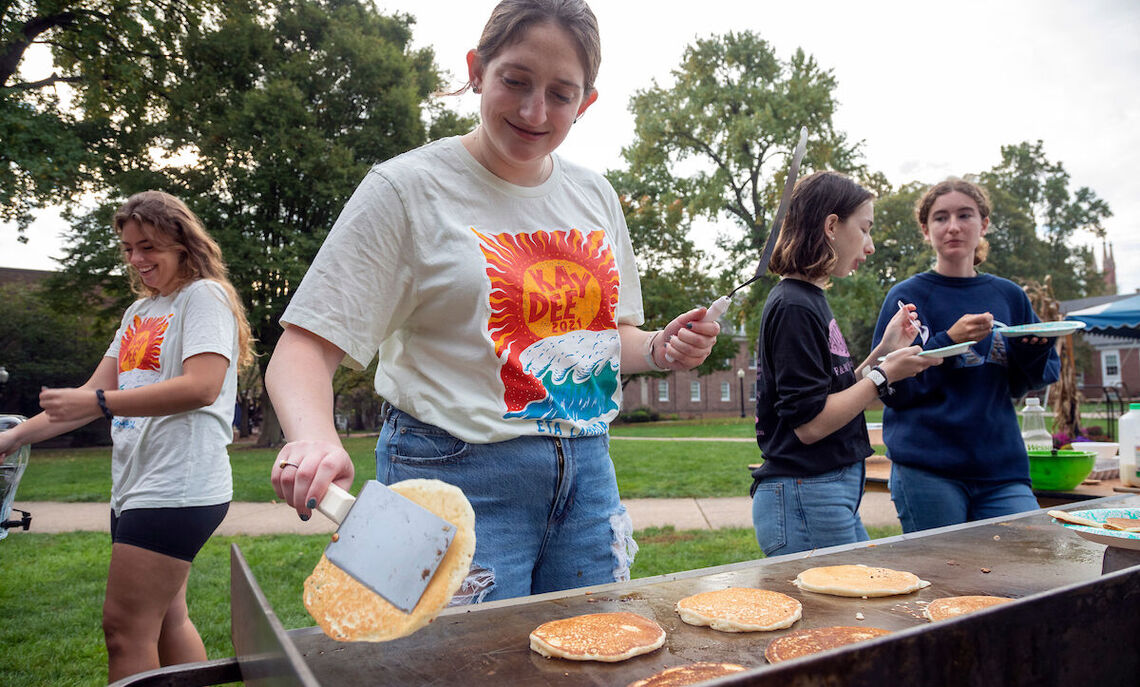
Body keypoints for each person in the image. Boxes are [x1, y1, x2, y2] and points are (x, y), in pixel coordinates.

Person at [267, 0, 718, 604]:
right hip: (446, 472)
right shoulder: (403, 188)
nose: (535, 111)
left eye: (562, 94)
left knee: (590, 660)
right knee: (441, 668)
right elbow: (303, 346)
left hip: (586, 476)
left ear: (586, 103)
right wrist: (314, 437)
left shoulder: (595, 195)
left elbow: (610, 340)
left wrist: (662, 348)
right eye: (515, 81)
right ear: (478, 69)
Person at [0, 191, 253, 681]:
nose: (137, 259)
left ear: (182, 244)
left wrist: (98, 403)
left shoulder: (203, 297)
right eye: (129, 248)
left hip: (177, 487)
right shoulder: (139, 313)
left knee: (123, 629)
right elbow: (91, 394)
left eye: (148, 247)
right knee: (165, 621)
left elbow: (202, 387)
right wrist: (11, 440)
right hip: (137, 487)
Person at [750, 171, 940, 557]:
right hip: (807, 493)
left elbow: (829, 396)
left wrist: (883, 352)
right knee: (846, 614)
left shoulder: (809, 300)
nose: (869, 247)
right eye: (865, 229)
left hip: (820, 493)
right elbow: (810, 424)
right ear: (832, 225)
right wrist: (884, 375)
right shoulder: (794, 306)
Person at [871, 178, 1060, 533]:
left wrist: (1035, 350)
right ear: (926, 230)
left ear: (983, 224)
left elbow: (1027, 382)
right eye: (941, 218)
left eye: (964, 215)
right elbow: (892, 388)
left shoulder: (1009, 295)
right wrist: (949, 340)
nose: (953, 226)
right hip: (927, 470)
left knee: (1027, 562)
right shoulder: (908, 297)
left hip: (1002, 470)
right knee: (947, 580)